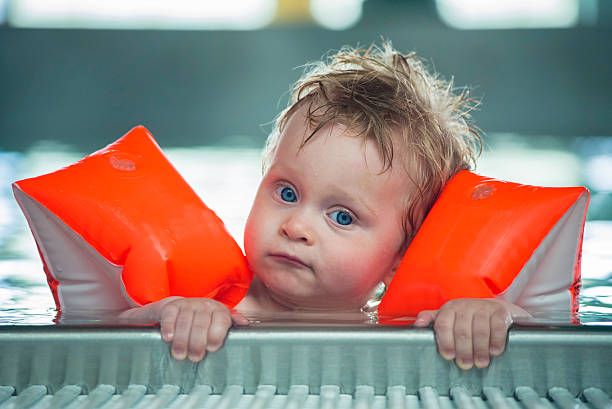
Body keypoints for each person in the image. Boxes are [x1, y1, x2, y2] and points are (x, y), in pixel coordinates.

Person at [120, 42, 530, 370]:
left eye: (341, 216)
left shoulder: (412, 323)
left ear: (401, 256)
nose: (296, 226)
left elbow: (532, 335)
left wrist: (488, 316)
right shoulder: (216, 304)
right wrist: (170, 316)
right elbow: (108, 332)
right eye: (286, 193)